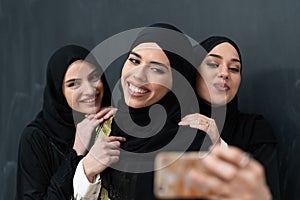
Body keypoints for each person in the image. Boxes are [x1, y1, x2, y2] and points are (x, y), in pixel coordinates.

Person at [73, 23, 205, 200]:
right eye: (134, 60)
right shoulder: (101, 129)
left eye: (156, 69)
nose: (138, 75)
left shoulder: (192, 143)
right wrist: (86, 170)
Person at [179, 36, 280, 199]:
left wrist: (219, 145)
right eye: (213, 64)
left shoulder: (255, 130)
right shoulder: (170, 126)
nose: (225, 73)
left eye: (234, 68)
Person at [15, 45, 120, 200]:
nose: (90, 90)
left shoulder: (114, 124)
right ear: (58, 91)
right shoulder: (36, 137)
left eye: (93, 77)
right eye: (73, 84)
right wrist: (77, 151)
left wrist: (126, 118)